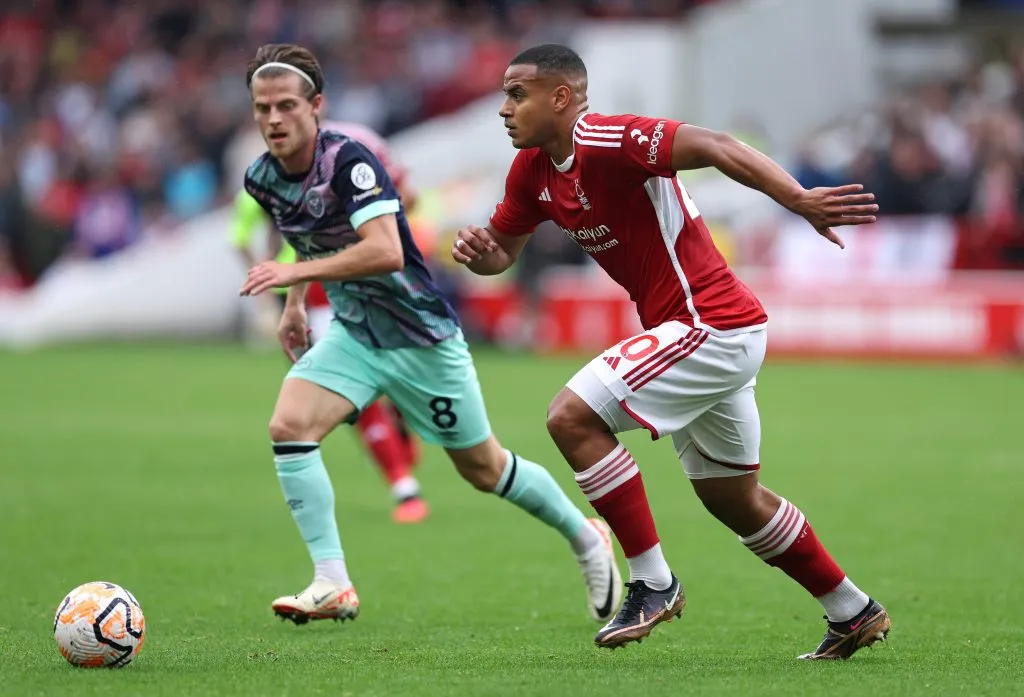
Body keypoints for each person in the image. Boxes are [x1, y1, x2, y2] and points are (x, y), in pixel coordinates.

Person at [450, 44, 890, 660]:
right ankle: (852, 610)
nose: (504, 109)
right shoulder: (532, 171)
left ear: (561, 97)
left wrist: (799, 200)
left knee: (570, 418)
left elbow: (716, 145)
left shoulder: (609, 139)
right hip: (709, 333)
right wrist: (481, 255)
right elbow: (503, 250)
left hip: (708, 323)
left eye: (517, 94)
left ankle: (653, 582)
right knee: (733, 498)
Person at [238, 43, 621, 626]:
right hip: (356, 334)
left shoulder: (350, 163)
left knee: (484, 469)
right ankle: (332, 581)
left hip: (421, 338)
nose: (273, 119)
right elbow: (307, 237)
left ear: (316, 106)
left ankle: (586, 536)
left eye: (286, 105)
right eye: (262, 108)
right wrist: (294, 305)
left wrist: (293, 276)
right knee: (289, 426)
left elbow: (386, 251)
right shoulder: (263, 176)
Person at [232, 126, 427, 525]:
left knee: (361, 385)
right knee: (347, 392)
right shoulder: (265, 174)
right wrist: (274, 290)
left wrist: (368, 232)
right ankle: (400, 472)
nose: (276, 120)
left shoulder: (353, 148)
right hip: (304, 294)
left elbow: (408, 196)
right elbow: (241, 233)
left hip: (355, 281)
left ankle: (402, 466)